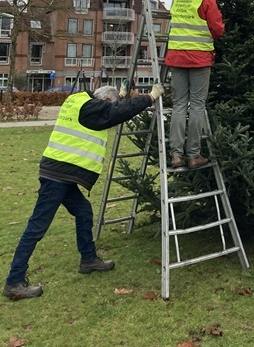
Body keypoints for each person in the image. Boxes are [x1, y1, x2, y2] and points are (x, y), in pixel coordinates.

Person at [3, 81, 164, 300]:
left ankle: (88, 260)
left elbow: (108, 107)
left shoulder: (78, 100)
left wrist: (122, 94)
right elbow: (116, 112)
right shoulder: (92, 109)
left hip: (60, 173)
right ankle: (14, 282)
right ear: (104, 102)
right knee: (37, 227)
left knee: (83, 212)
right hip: (58, 177)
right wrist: (150, 97)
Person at [165, 0, 224, 169]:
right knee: (197, 105)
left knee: (179, 105)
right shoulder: (207, 0)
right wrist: (213, 3)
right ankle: (193, 155)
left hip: (176, 56)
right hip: (199, 58)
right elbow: (217, 30)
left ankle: (176, 155)